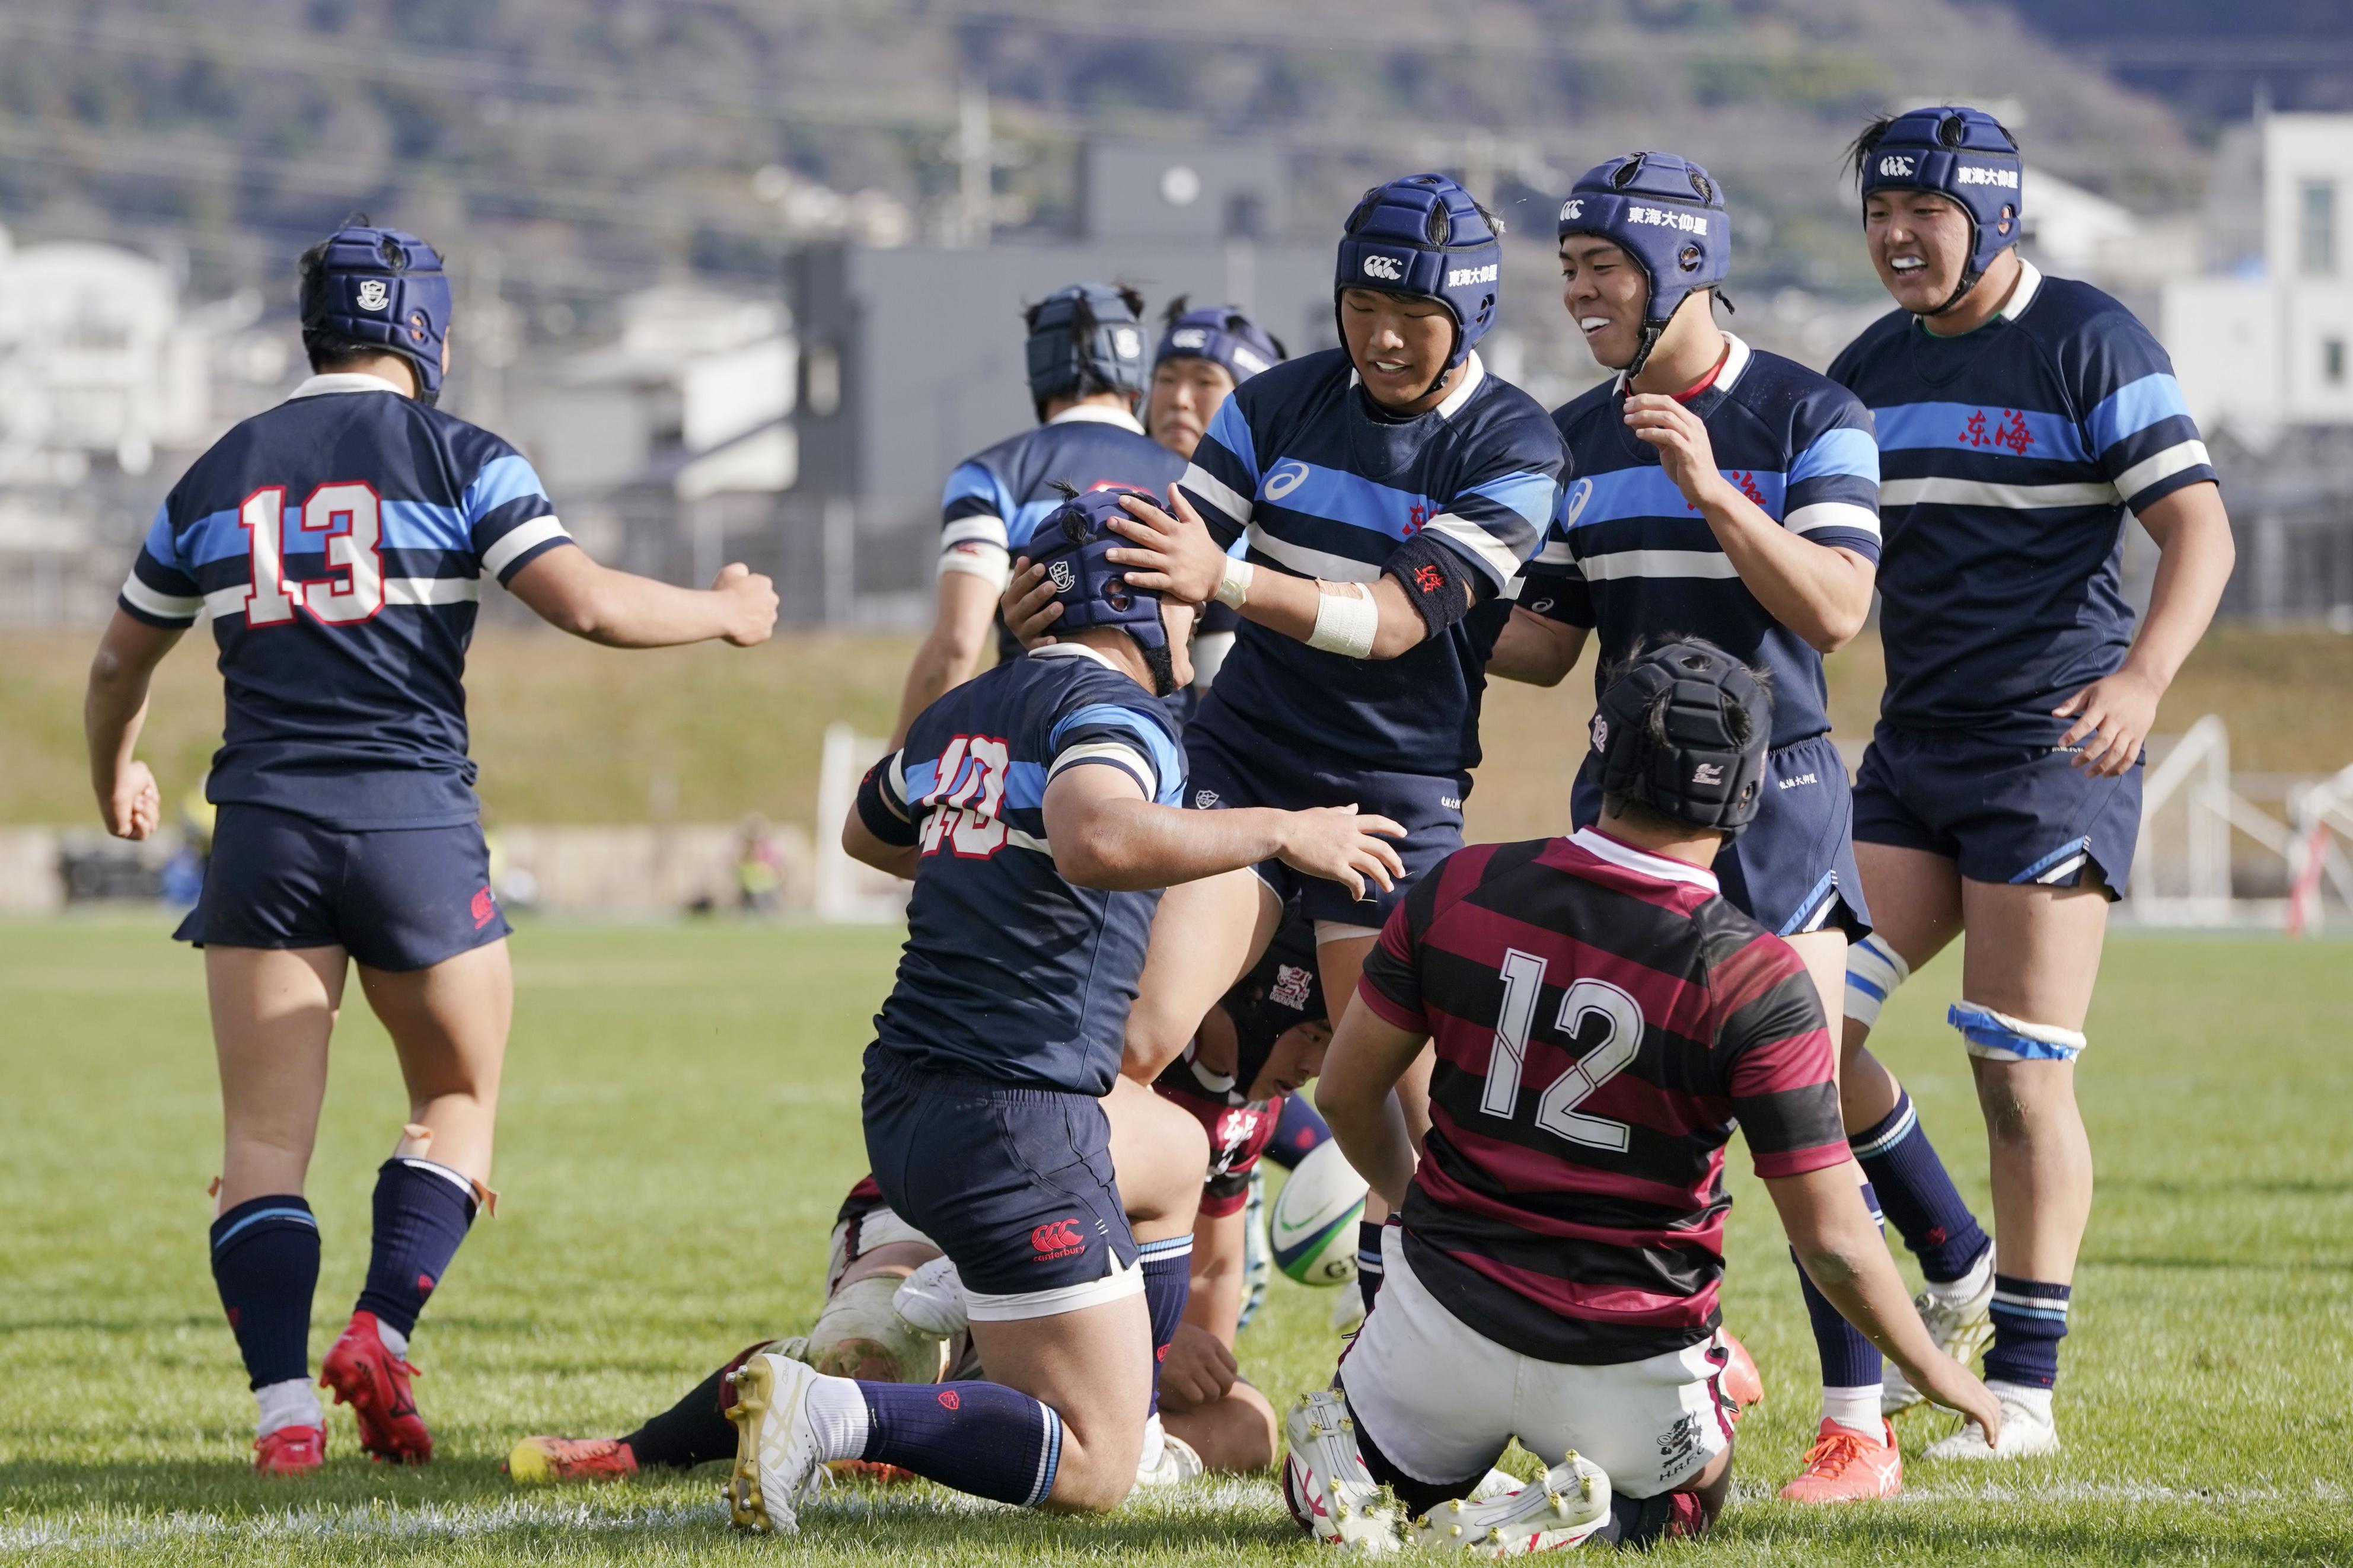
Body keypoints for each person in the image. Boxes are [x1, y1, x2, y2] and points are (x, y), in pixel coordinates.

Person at [83, 221, 780, 1475]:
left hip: (265, 832)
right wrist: (727, 613)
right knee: (454, 1101)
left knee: (260, 1146)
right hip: (413, 822)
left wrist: (116, 772)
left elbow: (118, 661)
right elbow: (587, 603)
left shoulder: (216, 470)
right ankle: (380, 1325)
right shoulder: (463, 455)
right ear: (422, 329)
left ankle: (284, 1410)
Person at [715, 486, 1403, 1533]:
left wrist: (982, 840)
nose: (1193, 616)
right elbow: (1095, 836)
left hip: (909, 1098)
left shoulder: (965, 709)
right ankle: (837, 1415)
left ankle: (1115, 1375)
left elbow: (868, 829)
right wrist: (1280, 832)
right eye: (1176, 596)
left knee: (1174, 1153)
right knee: (1094, 1465)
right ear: (1132, 606)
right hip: (1012, 1115)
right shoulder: (1110, 714)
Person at [1301, 641, 2001, 1553]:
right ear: (1744, 795)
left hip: (1445, 1319)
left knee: (1357, 1458)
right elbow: (1830, 1239)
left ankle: (1337, 1471)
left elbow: (1347, 1094)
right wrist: (1934, 1366)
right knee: (1686, 1508)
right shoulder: (1758, 978)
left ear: (1604, 758)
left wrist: (1415, 1217)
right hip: (1623, 1355)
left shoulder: (1463, 886)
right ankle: (1601, 1515)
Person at [1505, 152, 1952, 1501]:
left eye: (1603, 270)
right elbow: (1541, 642)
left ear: (1680, 266)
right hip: (1624, 795)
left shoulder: (1808, 411)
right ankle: (1692, 1340)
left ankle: (1855, 1422)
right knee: (1616, 1102)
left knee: (1795, 1110)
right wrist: (1420, 601)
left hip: (1776, 799)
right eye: (1569, 269)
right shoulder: (1577, 431)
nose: (1578, 292)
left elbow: (1829, 608)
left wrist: (1711, 489)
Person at [1826, 107, 2235, 1458]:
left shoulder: (2087, 341)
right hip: (1908, 749)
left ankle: (2024, 1389)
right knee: (1790, 1024)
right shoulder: (1863, 368)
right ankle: (1946, 1251)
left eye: (1923, 213)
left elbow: (2197, 529)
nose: (1895, 236)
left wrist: (2139, 682)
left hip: (2046, 755)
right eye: (1880, 211)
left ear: (1991, 217)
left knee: (2014, 1073)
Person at [502, 918, 1335, 1486]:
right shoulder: (1124, 1025)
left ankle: (952, 1443)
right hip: (952, 1215)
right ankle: (639, 1451)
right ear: (1263, 1001)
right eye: (1313, 1036)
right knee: (874, 1347)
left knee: (1250, 1426)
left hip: (1083, 1290)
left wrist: (1175, 1368)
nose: (1316, 1068)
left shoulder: (1247, 1110)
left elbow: (1215, 1263)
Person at [891, 283, 1183, 745]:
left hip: (1032, 755)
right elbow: (1222, 659)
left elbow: (956, 646)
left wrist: (897, 778)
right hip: (1163, 754)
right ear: (1136, 370)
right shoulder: (1191, 483)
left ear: (1040, 368)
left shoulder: (990, 475)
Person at [1140, 299, 1289, 704]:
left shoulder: (1281, 529)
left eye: (1205, 382)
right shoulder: (1119, 503)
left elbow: (1217, 704)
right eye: (1166, 378)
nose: (1180, 399)